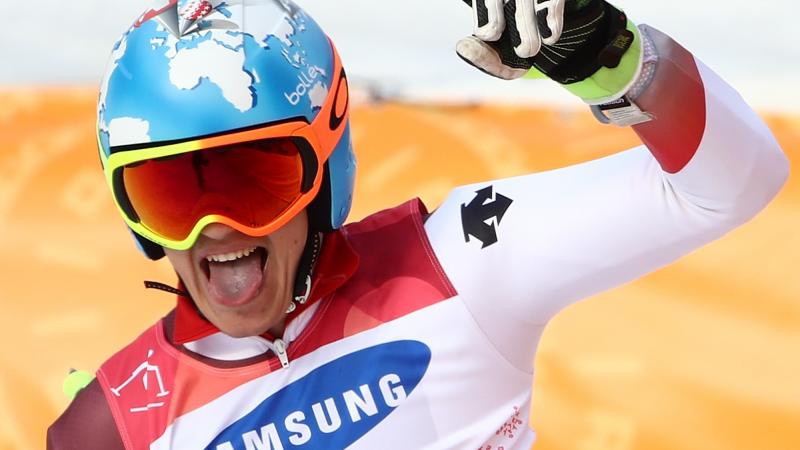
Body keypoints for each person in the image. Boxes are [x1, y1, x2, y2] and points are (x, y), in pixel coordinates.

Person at [47, 0, 788, 448]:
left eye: (254, 179)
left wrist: (615, 63)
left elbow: (734, 184)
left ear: (325, 166)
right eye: (169, 192)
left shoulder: (465, 262)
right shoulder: (108, 427)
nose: (213, 228)